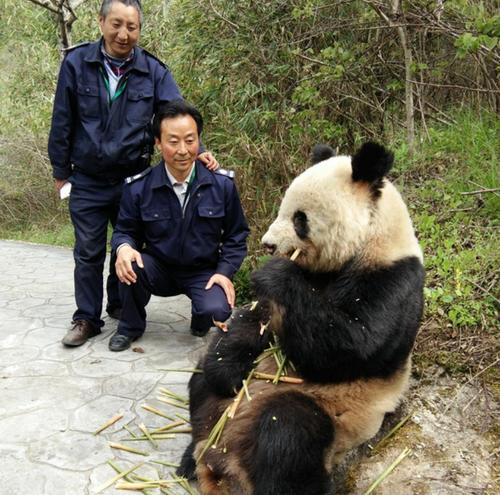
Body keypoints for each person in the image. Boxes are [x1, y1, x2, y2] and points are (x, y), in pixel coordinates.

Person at [48, 0, 218, 347]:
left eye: (132, 27)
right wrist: (60, 171)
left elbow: (176, 113)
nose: (123, 34)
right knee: (88, 251)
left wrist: (198, 152)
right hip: (88, 179)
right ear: (100, 22)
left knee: (126, 246)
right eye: (116, 24)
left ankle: (117, 303)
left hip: (134, 181)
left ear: (139, 29)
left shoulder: (153, 71)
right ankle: (86, 319)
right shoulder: (77, 63)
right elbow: (62, 119)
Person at [109, 100, 249, 351]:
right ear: (159, 143)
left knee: (216, 308)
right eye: (173, 142)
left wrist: (224, 271)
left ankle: (201, 316)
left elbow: (236, 235)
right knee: (128, 261)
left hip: (202, 271)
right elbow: (124, 230)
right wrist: (123, 248)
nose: (183, 150)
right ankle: (129, 326)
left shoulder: (221, 185)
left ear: (199, 140)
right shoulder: (139, 187)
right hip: (158, 267)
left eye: (190, 140)